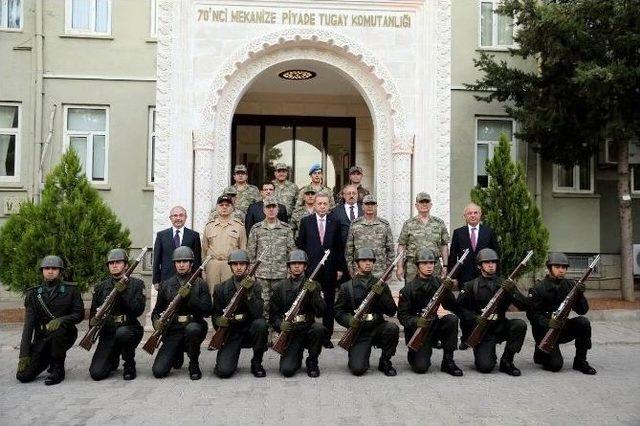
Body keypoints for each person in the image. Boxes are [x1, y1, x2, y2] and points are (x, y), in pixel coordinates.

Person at [456, 248, 528, 376]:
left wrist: (513, 291)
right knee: (485, 367)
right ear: (479, 266)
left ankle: (507, 361)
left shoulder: (505, 284)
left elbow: (525, 305)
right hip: (483, 332)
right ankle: (482, 351)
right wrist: (474, 318)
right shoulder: (470, 286)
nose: (491, 265)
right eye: (487, 262)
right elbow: (459, 309)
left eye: (493, 262)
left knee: (520, 324)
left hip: (500, 326)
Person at [16, 255, 84, 385]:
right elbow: (28, 326)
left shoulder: (71, 290)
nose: (50, 271)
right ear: (42, 271)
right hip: (42, 338)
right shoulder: (33, 294)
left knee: (58, 330)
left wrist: (62, 320)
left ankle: (58, 368)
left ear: (60, 271)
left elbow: (79, 314)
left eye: (54, 268)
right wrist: (23, 354)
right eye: (47, 268)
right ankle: (48, 359)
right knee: (23, 376)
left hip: (64, 335)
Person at [527, 252, 596, 375]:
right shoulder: (539, 288)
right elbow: (532, 315)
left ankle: (580, 361)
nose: (561, 270)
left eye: (564, 267)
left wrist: (579, 294)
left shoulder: (570, 285)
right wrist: (548, 322)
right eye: (557, 267)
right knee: (555, 365)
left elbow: (582, 310)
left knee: (583, 323)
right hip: (544, 331)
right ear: (549, 268)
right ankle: (540, 353)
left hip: (562, 328)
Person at [397, 248, 463, 376]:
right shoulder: (408, 289)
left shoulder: (439, 283)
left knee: (451, 319)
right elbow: (402, 317)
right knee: (421, 367)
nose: (429, 266)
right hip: (418, 329)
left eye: (431, 263)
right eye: (424, 263)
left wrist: (448, 291)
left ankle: (448, 360)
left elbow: (452, 306)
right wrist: (417, 321)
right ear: (417, 266)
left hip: (435, 324)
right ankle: (413, 353)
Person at [334, 248, 399, 376]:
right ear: (357, 264)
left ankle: (385, 361)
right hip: (359, 331)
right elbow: (338, 311)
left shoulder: (381, 285)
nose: (368, 263)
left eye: (370, 261)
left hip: (377, 326)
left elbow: (392, 311)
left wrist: (382, 296)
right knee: (358, 369)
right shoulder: (347, 287)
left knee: (392, 328)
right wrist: (349, 320)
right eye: (363, 260)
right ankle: (356, 355)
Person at [151, 247, 212, 380]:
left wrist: (191, 297)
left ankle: (194, 363)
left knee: (193, 329)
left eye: (185, 261)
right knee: (158, 371)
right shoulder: (166, 285)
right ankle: (177, 353)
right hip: (173, 329)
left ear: (191, 264)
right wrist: (156, 323)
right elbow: (157, 310)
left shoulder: (200, 284)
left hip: (194, 325)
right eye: (178, 261)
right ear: (174, 264)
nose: (182, 264)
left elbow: (208, 310)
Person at [296, 193, 346, 348]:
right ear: (314, 205)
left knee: (329, 303)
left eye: (325, 203)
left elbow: (339, 247)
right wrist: (303, 267)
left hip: (330, 270)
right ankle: (310, 335)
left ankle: (326, 337)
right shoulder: (306, 222)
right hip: (311, 269)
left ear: (329, 205)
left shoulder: (335, 222)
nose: (322, 206)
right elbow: (301, 246)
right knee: (309, 302)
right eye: (320, 203)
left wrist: (339, 268)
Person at [448, 202, 499, 349]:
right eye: (469, 213)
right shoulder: (459, 233)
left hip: (486, 278)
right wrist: (453, 277)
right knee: (466, 309)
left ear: (480, 214)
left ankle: (485, 336)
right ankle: (465, 338)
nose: (473, 215)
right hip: (466, 277)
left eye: (475, 212)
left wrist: (497, 276)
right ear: (465, 216)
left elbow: (496, 255)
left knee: (485, 307)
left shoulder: (488, 232)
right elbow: (453, 257)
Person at [88, 249, 145, 381]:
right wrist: (94, 322)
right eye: (111, 263)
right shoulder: (101, 287)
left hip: (129, 328)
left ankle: (129, 364)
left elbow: (138, 310)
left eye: (118, 262)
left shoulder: (137, 284)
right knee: (96, 373)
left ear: (126, 265)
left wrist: (124, 292)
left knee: (123, 333)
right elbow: (93, 312)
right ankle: (113, 358)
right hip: (108, 331)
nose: (114, 265)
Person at [212, 250, 268, 378]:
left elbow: (258, 313)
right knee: (224, 371)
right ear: (230, 266)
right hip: (232, 332)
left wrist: (248, 293)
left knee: (261, 325)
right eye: (235, 264)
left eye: (242, 264)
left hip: (249, 330)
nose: (238, 267)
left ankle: (257, 362)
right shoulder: (220, 288)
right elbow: (215, 313)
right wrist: (218, 322)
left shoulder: (256, 287)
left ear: (247, 266)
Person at [270, 250, 326, 377]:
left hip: (307, 329)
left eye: (300, 263)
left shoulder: (314, 285)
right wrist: (280, 325)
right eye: (293, 263)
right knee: (287, 370)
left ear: (305, 266)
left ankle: (312, 361)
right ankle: (296, 356)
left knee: (318, 329)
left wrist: (315, 294)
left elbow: (321, 312)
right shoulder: (279, 287)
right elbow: (274, 315)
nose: (296, 266)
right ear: (289, 267)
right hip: (290, 332)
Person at [247, 196, 295, 334]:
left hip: (281, 274)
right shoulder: (256, 229)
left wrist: (290, 271)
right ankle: (265, 332)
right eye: (268, 207)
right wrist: (251, 273)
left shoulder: (286, 229)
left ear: (278, 209)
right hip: (261, 274)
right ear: (264, 210)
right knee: (264, 305)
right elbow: (251, 253)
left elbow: (291, 251)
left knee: (280, 304)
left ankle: (279, 331)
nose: (271, 210)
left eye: (273, 207)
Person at [397, 192, 450, 282]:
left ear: (431, 205)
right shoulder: (408, 224)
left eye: (427, 202)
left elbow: (444, 246)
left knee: (434, 293)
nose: (424, 204)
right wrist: (399, 267)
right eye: (421, 202)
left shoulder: (439, 223)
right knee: (412, 293)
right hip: (412, 267)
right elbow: (401, 246)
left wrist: (445, 266)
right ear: (416, 205)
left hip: (434, 266)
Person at [202, 194, 247, 292]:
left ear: (232, 208)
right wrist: (203, 269)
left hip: (231, 265)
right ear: (217, 207)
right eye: (221, 205)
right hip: (212, 265)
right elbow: (204, 250)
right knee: (212, 293)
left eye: (227, 205)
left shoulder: (239, 226)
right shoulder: (209, 226)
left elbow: (243, 249)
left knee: (229, 293)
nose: (224, 207)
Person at [344, 194, 395, 277]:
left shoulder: (384, 225)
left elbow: (391, 250)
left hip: (379, 272)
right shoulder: (355, 224)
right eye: (367, 204)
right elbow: (349, 250)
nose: (370, 206)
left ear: (376, 206)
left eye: (372, 204)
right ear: (362, 206)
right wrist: (351, 270)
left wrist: (388, 271)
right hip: (359, 271)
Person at [152, 205, 202, 289]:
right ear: (170, 218)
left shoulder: (194, 235)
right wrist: (156, 280)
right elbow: (156, 259)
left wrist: (197, 278)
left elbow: (197, 260)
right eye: (175, 215)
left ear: (185, 217)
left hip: (188, 280)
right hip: (166, 279)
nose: (178, 218)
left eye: (181, 215)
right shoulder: (161, 235)